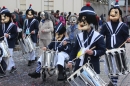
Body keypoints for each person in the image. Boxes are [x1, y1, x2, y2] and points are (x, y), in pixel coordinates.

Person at [67, 2, 106, 74]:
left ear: (90, 22)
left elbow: (103, 50)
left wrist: (93, 52)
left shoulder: (98, 36)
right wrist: (70, 60)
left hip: (93, 65)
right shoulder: (79, 36)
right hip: (79, 66)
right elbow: (74, 50)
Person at [100, 0, 130, 86]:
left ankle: (114, 84)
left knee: (116, 70)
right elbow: (102, 35)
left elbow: (126, 37)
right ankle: (112, 83)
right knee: (110, 70)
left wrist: (128, 39)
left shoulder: (123, 26)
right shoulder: (106, 25)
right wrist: (101, 43)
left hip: (119, 51)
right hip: (108, 50)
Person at [0, 6, 18, 76]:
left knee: (9, 56)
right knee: (5, 56)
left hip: (10, 43)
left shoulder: (13, 25)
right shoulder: (2, 25)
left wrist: (9, 36)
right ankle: (12, 67)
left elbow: (15, 34)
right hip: (3, 43)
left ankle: (7, 68)